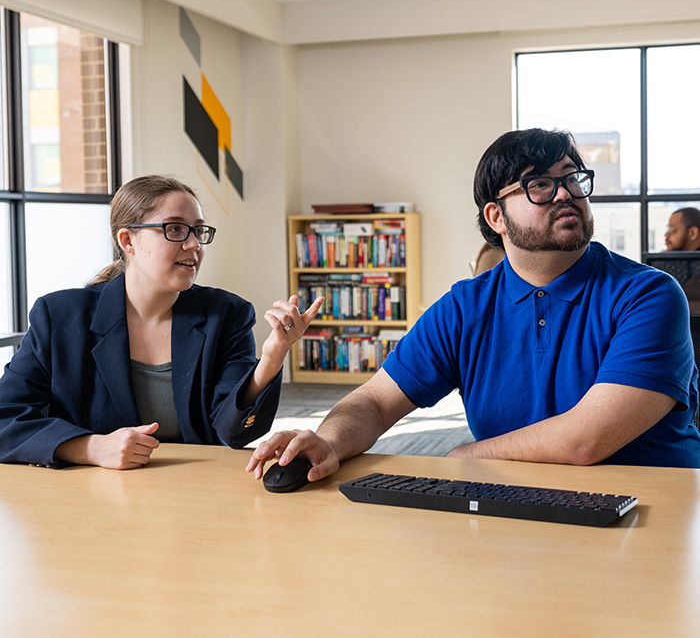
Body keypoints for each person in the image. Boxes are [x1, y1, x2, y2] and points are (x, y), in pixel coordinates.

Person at [248, 128, 700, 484]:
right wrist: (327, 440)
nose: (564, 194)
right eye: (539, 184)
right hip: (519, 505)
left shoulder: (648, 295)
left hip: (649, 511)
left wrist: (465, 454)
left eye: (571, 180)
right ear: (495, 217)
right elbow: (376, 401)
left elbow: (586, 440)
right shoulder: (466, 307)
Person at [0, 175, 322, 469]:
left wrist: (272, 357)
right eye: (175, 229)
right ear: (128, 241)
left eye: (198, 230)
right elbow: (5, 419)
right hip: (89, 495)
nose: (194, 245)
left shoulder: (227, 314)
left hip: (194, 492)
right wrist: (90, 448)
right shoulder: (59, 317)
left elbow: (233, 432)